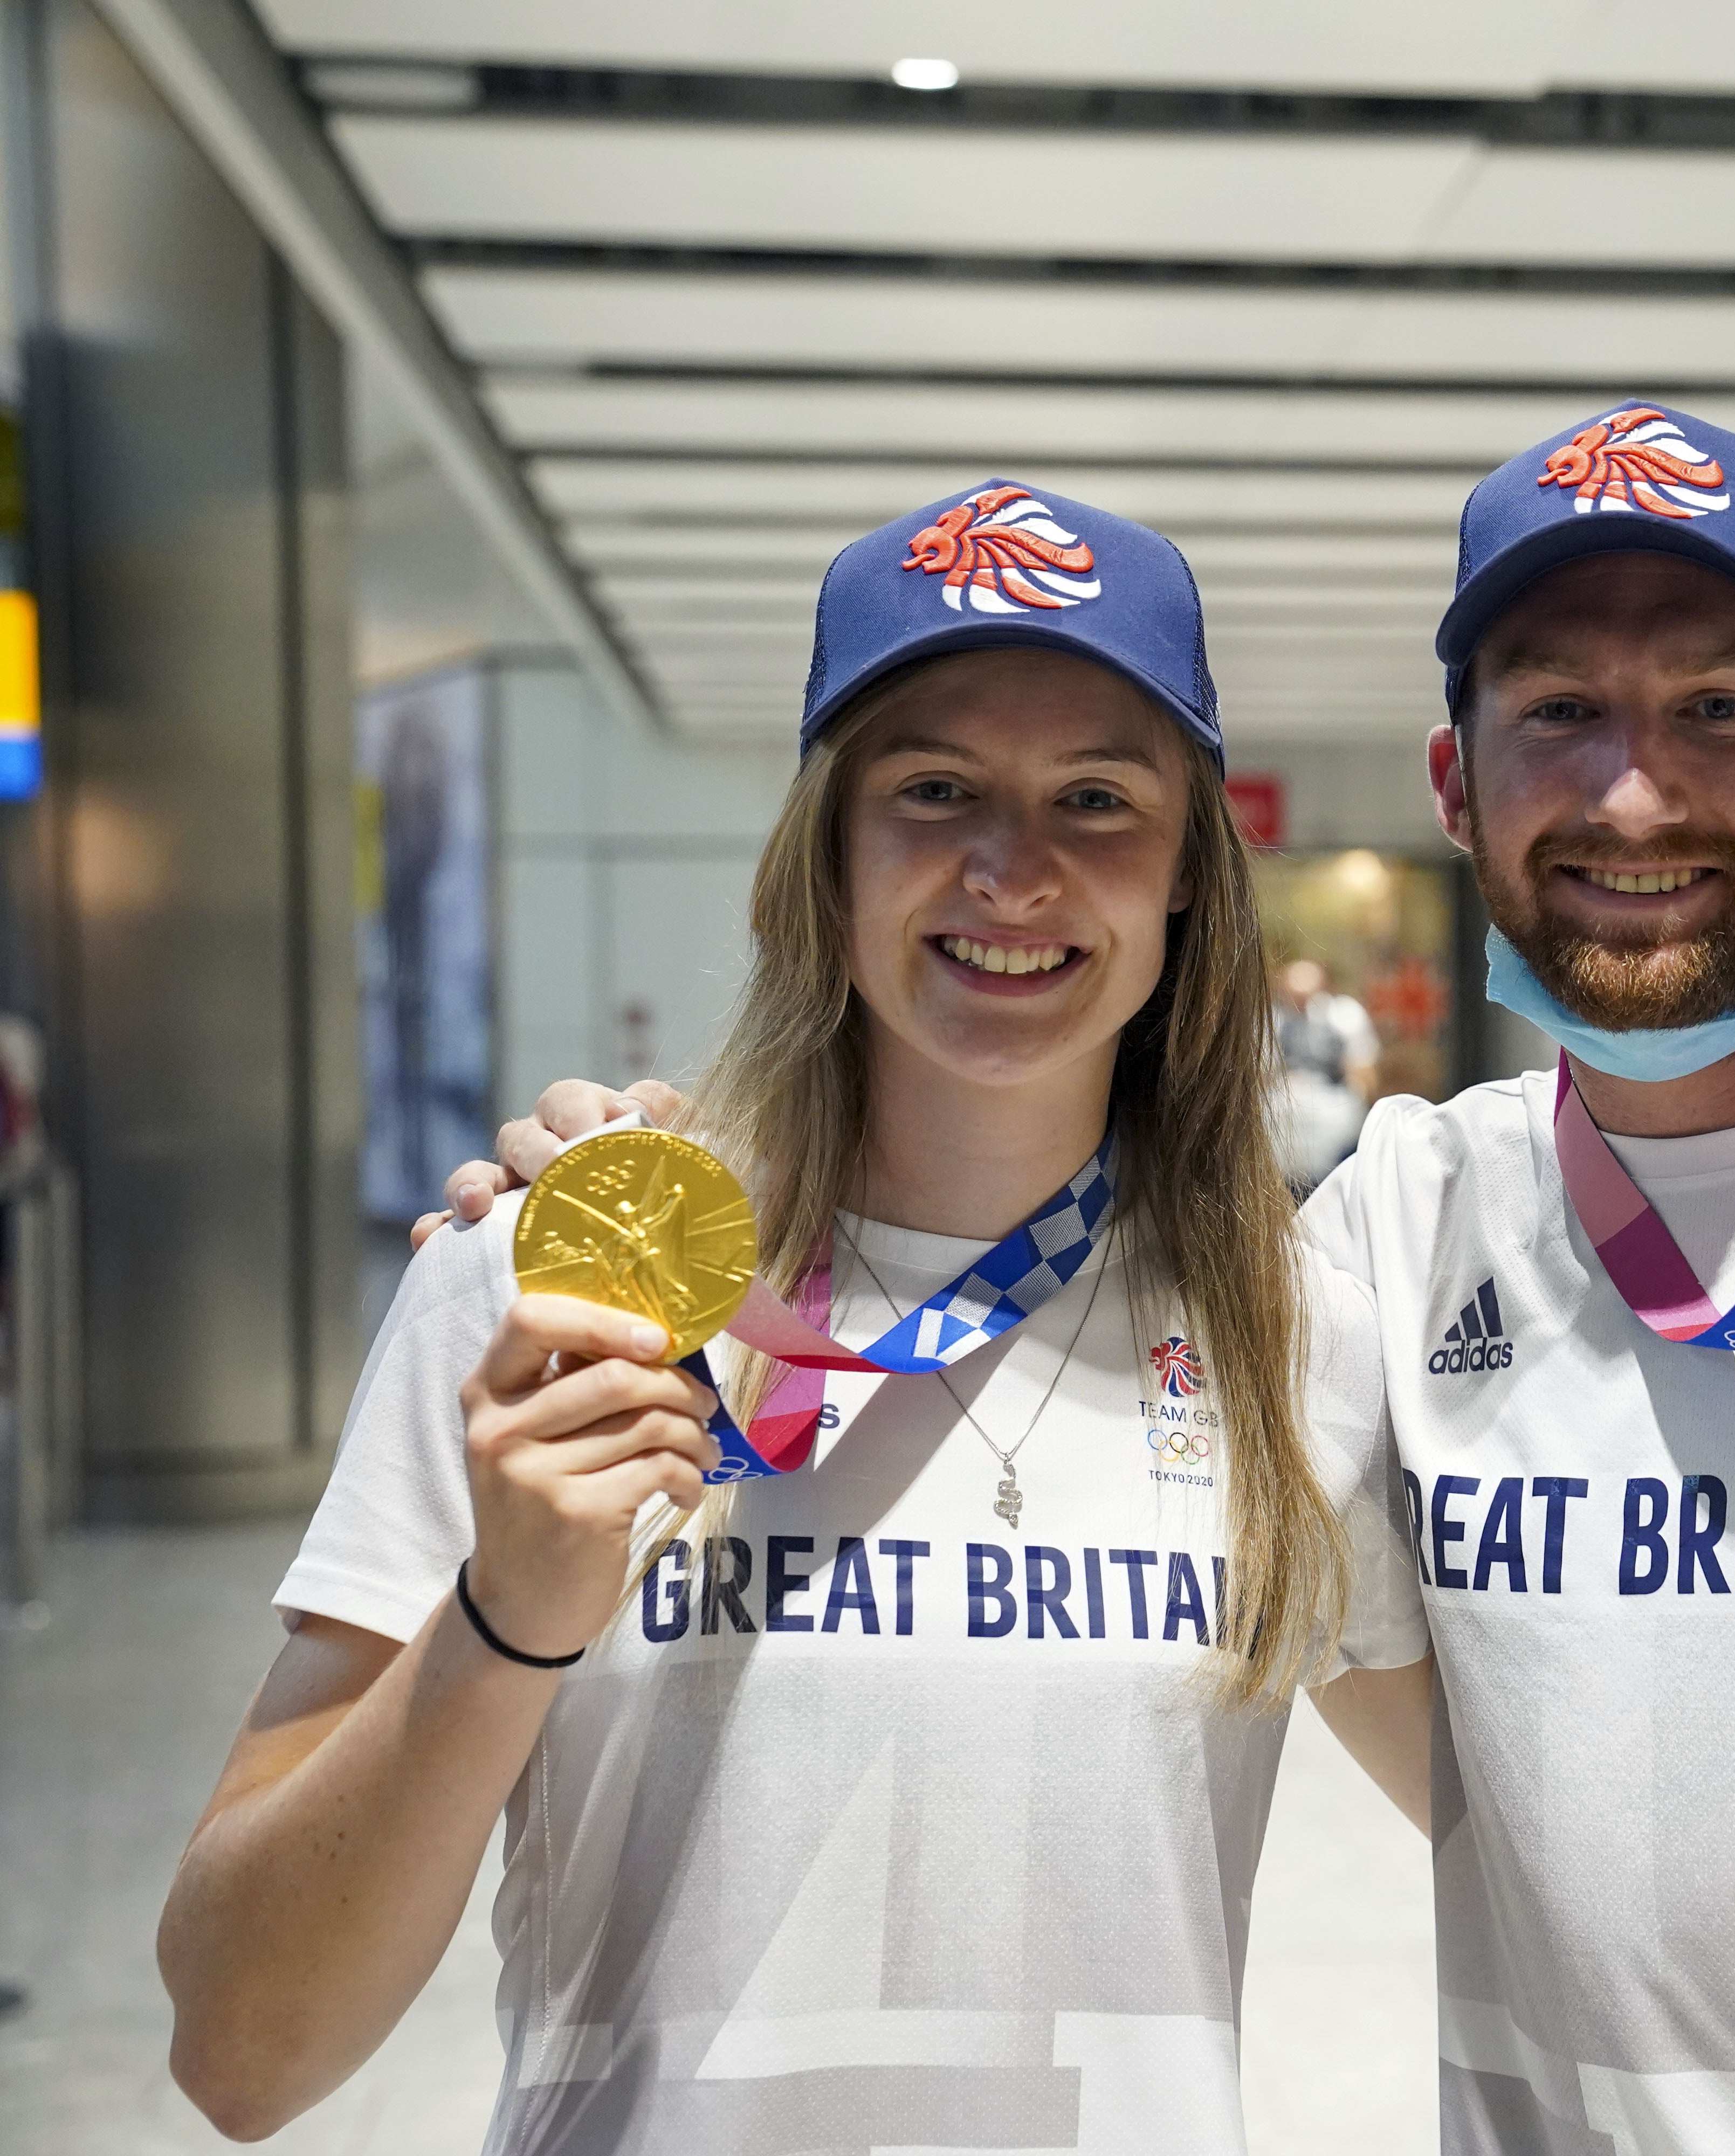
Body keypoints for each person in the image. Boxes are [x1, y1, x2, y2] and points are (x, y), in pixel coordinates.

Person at [444, 407, 1735, 2154]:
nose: (1632, 790)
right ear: (1457, 782)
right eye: (1558, 711)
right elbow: (1522, 1776)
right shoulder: (1367, 1242)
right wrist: (644, 1171)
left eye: (1719, 708)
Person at [155, 487, 1439, 2150]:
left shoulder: (1292, 1344)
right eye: (934, 788)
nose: (1014, 864)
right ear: (825, 853)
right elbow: (243, 2054)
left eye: (1098, 797)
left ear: (1189, 870)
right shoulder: (561, 1290)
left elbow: (1593, 1865)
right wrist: (509, 1616)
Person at [1272, 954, 1380, 1193]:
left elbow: (1364, 1075)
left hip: (1331, 1119)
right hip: (1280, 1124)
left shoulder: (1345, 1016)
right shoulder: (1269, 1020)